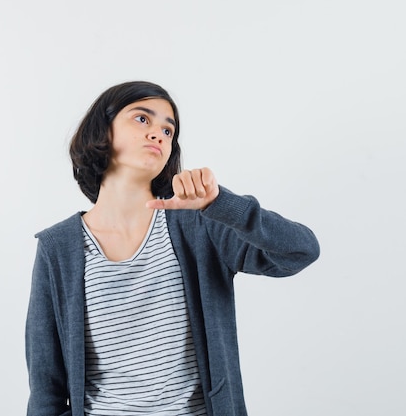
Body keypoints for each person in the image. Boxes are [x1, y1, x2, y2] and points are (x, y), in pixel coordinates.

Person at [25, 80, 320, 416]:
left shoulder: (200, 224)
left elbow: (300, 251)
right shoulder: (58, 247)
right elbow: (46, 386)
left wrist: (222, 204)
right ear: (103, 131)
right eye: (142, 119)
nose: (159, 134)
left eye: (169, 130)